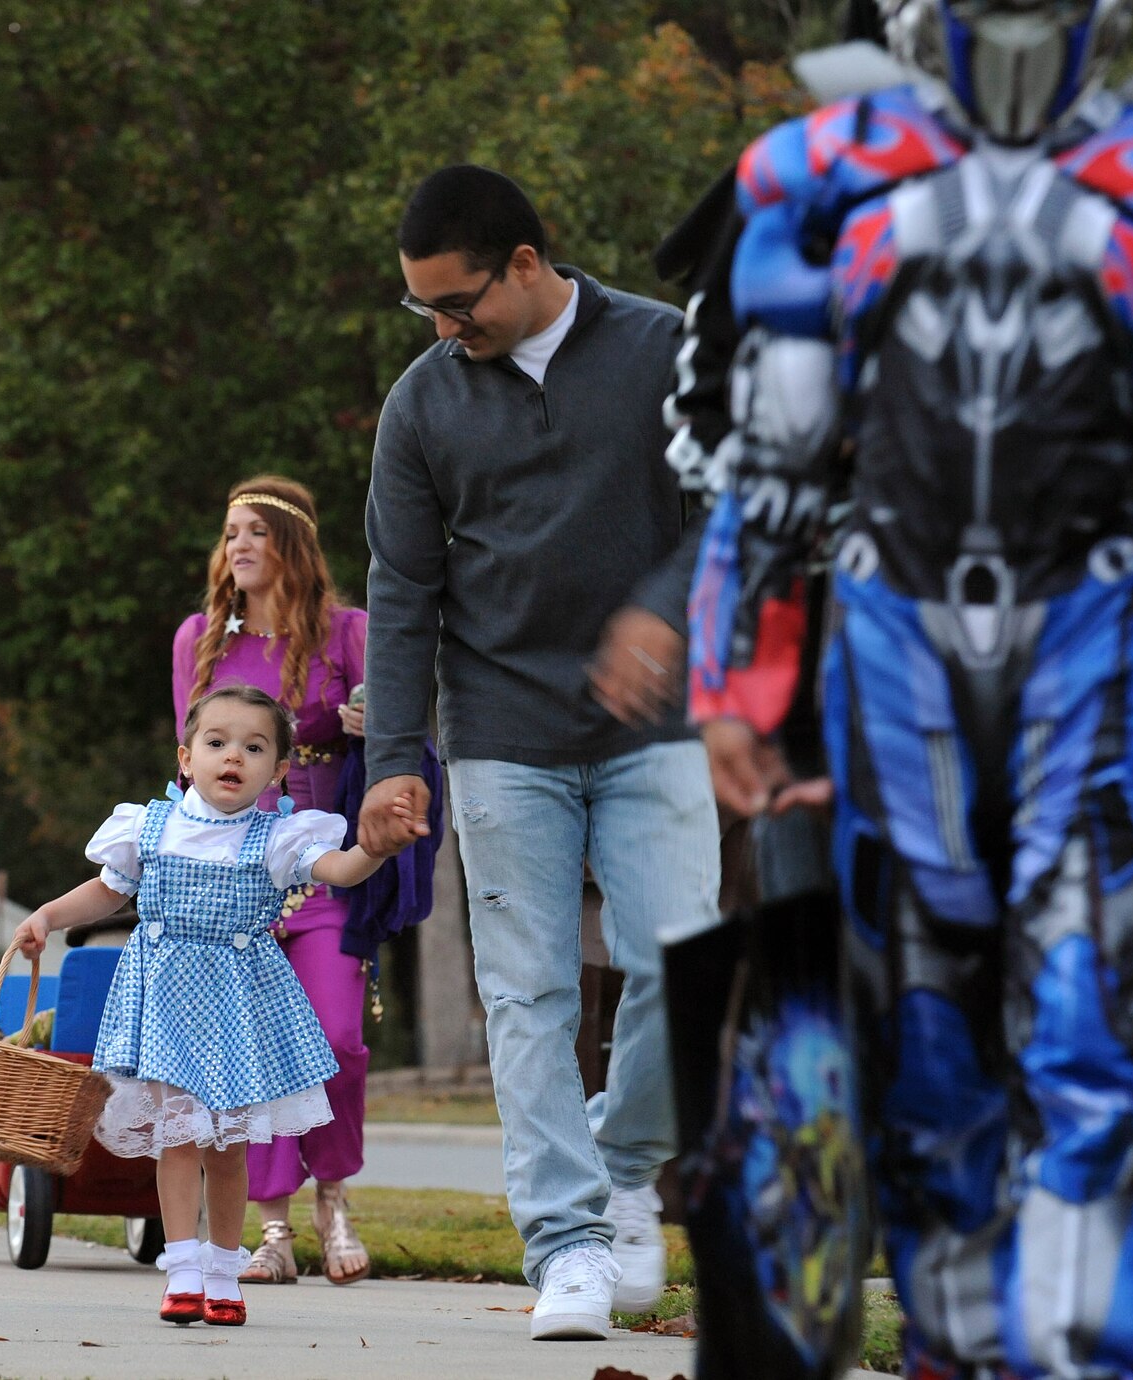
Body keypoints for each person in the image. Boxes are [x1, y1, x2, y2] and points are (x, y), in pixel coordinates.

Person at [689, 5, 1133, 1375]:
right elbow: (773, 463)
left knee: (1089, 1026)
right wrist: (737, 680)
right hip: (897, 653)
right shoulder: (837, 168)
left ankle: (1077, 1354)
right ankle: (952, 1345)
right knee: (927, 1033)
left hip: (1091, 641)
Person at [359, 164, 722, 1339]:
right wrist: (395, 760)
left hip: (650, 727)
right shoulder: (421, 407)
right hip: (502, 732)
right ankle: (564, 1244)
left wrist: (664, 613)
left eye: (456, 303)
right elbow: (402, 592)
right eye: (422, 309)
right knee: (527, 994)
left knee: (682, 966)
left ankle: (624, 1167)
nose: (441, 328)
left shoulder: (663, 351)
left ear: (526, 264)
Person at [13, 685, 409, 1327]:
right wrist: (48, 917)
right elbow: (107, 891)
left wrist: (376, 847)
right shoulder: (149, 827)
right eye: (217, 742)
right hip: (165, 1005)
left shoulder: (278, 838)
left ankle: (226, 1272)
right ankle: (184, 1271)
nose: (233, 757)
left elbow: (339, 870)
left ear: (279, 770)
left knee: (227, 1147)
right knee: (179, 1140)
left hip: (236, 1011)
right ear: (186, 757)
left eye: (254, 748)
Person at [171, 475, 376, 1285]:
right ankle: (272, 1230)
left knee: (335, 1038)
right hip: (232, 875)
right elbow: (184, 762)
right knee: (244, 1051)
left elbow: (393, 731)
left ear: (292, 543)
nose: (238, 546)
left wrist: (371, 722)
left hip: (322, 866)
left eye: (255, 530)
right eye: (230, 533)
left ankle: (335, 1199)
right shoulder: (201, 640)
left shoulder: (347, 631)